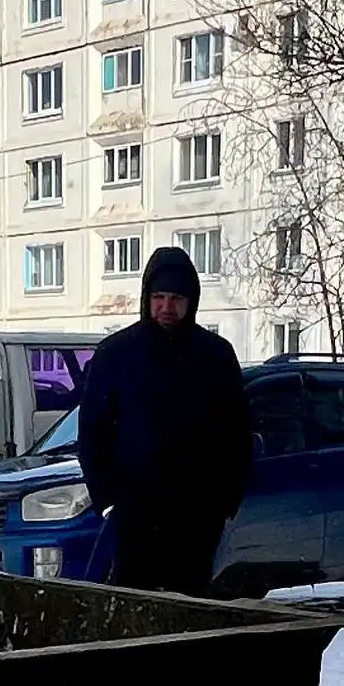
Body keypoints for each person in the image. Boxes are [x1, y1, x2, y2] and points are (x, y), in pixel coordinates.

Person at [76, 244, 253, 593]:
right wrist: (109, 502)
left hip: (197, 516)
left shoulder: (215, 357)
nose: (166, 307)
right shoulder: (116, 355)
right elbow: (93, 433)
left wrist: (225, 503)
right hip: (134, 515)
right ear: (147, 297)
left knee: (188, 606)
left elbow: (237, 434)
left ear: (191, 300)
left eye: (176, 298)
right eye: (158, 297)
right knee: (135, 606)